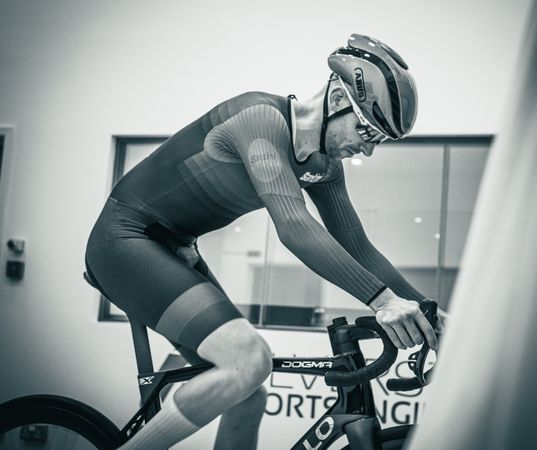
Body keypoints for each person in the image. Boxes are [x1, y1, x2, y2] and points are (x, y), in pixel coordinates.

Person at [85, 33, 439, 449]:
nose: (367, 149)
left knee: (247, 393)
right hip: (124, 240)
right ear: (339, 100)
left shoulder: (323, 167)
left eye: (377, 140)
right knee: (248, 361)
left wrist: (429, 312)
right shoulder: (259, 117)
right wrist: (382, 302)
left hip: (175, 247)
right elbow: (293, 225)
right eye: (368, 131)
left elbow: (358, 248)